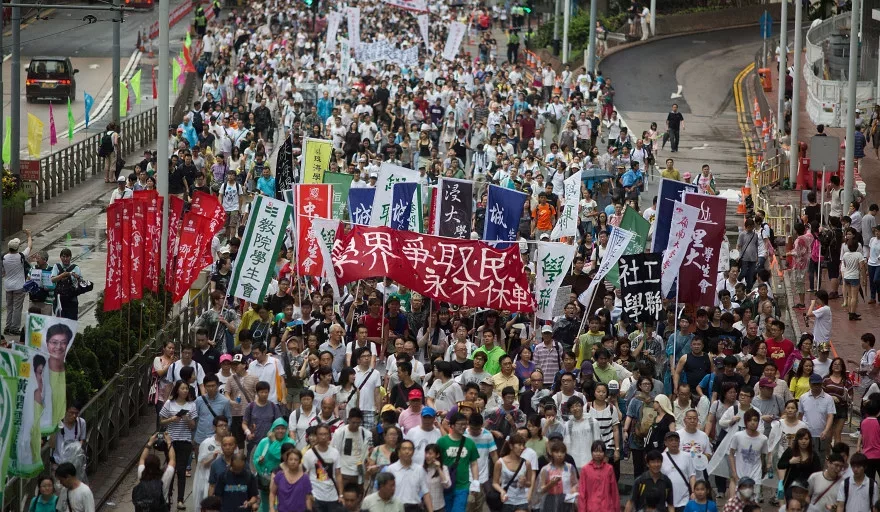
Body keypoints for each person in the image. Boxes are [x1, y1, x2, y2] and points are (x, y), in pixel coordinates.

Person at [159, 379, 197, 510]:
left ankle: (180, 499)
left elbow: (193, 426)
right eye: (182, 388)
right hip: (171, 440)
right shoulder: (170, 403)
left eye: (187, 388)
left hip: (185, 441)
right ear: (177, 390)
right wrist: (172, 419)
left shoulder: (191, 405)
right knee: (170, 469)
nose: (185, 391)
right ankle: (167, 496)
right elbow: (162, 421)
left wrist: (187, 419)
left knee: (181, 470)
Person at [438, 413, 480, 512]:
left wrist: (475, 482)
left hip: (463, 486)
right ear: (452, 425)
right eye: (460, 424)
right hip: (445, 485)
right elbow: (437, 462)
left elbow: (474, 464)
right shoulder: (442, 442)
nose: (463, 426)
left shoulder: (470, 443)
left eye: (465, 424)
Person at [302, 424, 343, 510]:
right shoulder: (309, 454)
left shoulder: (335, 452)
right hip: (316, 495)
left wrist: (341, 494)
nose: (323, 437)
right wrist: (307, 495)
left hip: (332, 496)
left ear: (329, 435)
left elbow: (338, 474)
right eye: (320, 434)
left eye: (325, 434)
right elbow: (305, 475)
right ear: (316, 436)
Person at [798, 373, 836, 461]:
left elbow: (830, 416)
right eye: (814, 384)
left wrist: (826, 430)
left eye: (818, 384)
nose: (816, 386)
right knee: (805, 458)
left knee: (820, 460)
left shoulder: (828, 398)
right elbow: (800, 415)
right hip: (806, 435)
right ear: (810, 384)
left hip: (821, 435)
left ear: (821, 384)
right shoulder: (803, 398)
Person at [135, 432, 176, 510]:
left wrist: (150, 442)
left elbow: (142, 459)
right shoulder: (164, 477)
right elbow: (172, 460)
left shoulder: (141, 474)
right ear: (158, 466)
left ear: (145, 466)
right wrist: (169, 442)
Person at [578, 440, 619, 512]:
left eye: (600, 451)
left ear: (604, 453)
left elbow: (614, 491)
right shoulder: (585, 470)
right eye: (595, 451)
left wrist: (617, 509)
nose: (598, 454)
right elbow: (582, 493)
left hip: (607, 507)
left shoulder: (609, 469)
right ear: (591, 453)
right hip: (591, 508)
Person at [4, 231, 32, 334]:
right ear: (17, 248)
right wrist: (29, 235)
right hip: (19, 287)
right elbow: (29, 246)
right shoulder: (21, 256)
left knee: (9, 308)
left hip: (8, 286)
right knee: (17, 308)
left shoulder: (4, 258)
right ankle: (15, 329)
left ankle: (7, 327)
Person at [269, 447, 313, 512]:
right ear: (287, 461)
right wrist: (271, 508)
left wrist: (309, 510)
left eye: (296, 460)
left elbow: (308, 498)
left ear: (299, 461)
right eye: (291, 459)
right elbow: (272, 493)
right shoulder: (280, 475)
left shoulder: (305, 478)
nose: (293, 462)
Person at [50, 247, 83, 320]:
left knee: (72, 321)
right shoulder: (57, 267)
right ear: (60, 257)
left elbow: (82, 283)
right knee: (59, 322)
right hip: (59, 300)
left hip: (72, 299)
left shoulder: (75, 268)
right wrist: (63, 275)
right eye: (63, 257)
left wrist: (77, 277)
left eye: (67, 257)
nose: (65, 259)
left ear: (70, 257)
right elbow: (52, 280)